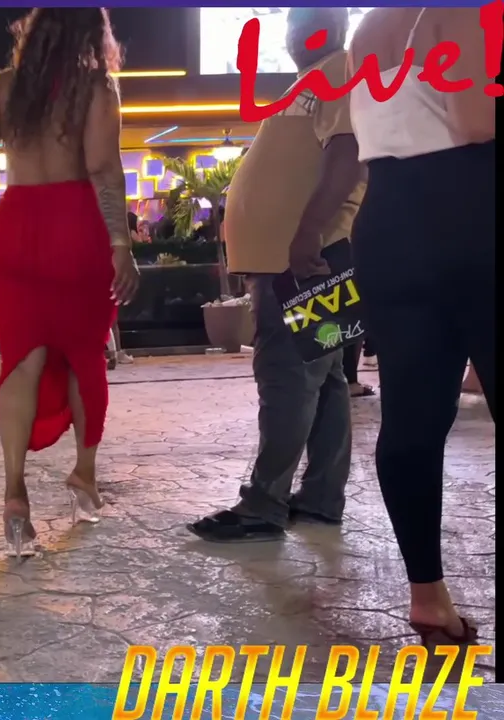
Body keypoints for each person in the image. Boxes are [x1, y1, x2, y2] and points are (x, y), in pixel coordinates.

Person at [0, 8, 140, 557]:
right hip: (75, 231)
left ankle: (15, 494)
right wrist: (121, 245)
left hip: (11, 234)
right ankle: (84, 476)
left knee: (21, 361)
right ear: (92, 33)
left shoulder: (6, 87)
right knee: (85, 356)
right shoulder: (96, 86)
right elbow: (103, 168)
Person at [188, 8, 366, 543]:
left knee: (287, 378)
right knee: (324, 380)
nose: (297, 31)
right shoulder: (313, 80)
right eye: (293, 22)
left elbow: (348, 151)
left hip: (302, 260)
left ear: (334, 25)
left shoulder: (339, 71)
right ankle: (320, 498)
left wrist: (308, 230)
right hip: (296, 257)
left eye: (307, 19)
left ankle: (263, 505)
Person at [347, 7, 494, 650]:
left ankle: (428, 599)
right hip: (473, 211)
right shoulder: (460, 12)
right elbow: (476, 121)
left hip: (389, 221)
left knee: (411, 416)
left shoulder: (367, 27)